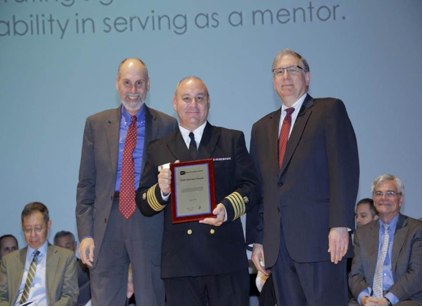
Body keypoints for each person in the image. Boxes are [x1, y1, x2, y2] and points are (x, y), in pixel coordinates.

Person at [247, 49, 360, 306]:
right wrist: (257, 240)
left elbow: (344, 169)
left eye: (293, 69)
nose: (285, 76)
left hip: (321, 241)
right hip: (278, 246)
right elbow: (260, 189)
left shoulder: (329, 110)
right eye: (279, 71)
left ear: (307, 77)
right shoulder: (261, 127)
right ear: (273, 81)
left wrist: (340, 225)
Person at [136, 77, 260, 306]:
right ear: (174, 103)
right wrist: (161, 192)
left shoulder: (231, 139)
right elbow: (142, 202)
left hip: (225, 261)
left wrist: (226, 208)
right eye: (186, 98)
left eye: (199, 98)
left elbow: (251, 188)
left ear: (209, 102)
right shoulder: (158, 148)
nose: (193, 104)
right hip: (180, 265)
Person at [76, 58, 178, 306]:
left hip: (148, 219)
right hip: (106, 221)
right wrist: (86, 234)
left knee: (151, 297)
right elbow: (86, 184)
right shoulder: (96, 125)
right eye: (127, 83)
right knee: (105, 298)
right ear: (117, 84)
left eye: (139, 83)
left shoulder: (167, 125)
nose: (133, 91)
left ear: (149, 85)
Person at [349, 175, 422, 306]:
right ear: (374, 200)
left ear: (400, 200)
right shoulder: (362, 233)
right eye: (379, 193)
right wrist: (364, 298)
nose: (383, 198)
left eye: (390, 193)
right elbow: (355, 274)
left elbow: (417, 273)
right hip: (369, 299)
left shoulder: (416, 229)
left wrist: (388, 299)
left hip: (404, 299)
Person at [0, 202, 78, 306]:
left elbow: (69, 296)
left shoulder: (65, 257)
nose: (33, 235)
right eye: (27, 229)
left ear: (48, 225)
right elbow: (2, 297)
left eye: (38, 228)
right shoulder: (9, 261)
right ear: (21, 227)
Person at [54, 231, 91, 306]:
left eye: (68, 247)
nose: (65, 252)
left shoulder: (86, 268)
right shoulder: (50, 272)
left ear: (75, 246)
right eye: (60, 248)